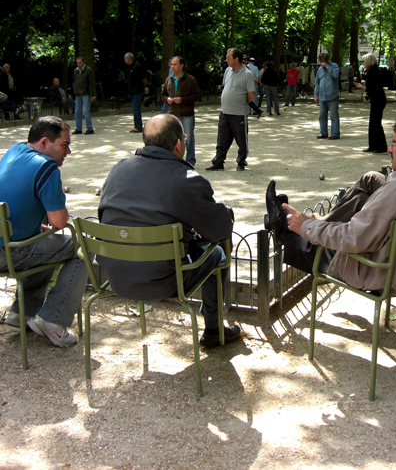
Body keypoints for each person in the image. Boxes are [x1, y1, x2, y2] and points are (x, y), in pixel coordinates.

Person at [265, 115, 396, 295]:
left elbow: (354, 238)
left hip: (389, 275)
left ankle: (281, 220)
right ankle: (306, 220)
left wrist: (306, 226)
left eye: (395, 144)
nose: (389, 149)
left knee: (302, 239)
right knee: (370, 182)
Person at [97, 113, 242, 348]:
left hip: (115, 277)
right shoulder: (188, 179)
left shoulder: (118, 169)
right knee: (217, 253)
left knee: (182, 241)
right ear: (178, 144)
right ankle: (214, 327)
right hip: (165, 282)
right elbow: (221, 230)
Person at [0, 116, 88, 346]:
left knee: (44, 240)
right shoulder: (46, 167)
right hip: (8, 252)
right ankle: (52, 320)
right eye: (64, 144)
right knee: (83, 245)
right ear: (44, 142)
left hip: (7, 242)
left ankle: (22, 312)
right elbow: (59, 221)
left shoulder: (14, 150)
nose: (68, 151)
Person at [206, 48, 256, 171]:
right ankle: (218, 162)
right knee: (222, 139)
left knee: (241, 140)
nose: (226, 60)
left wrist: (239, 102)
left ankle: (241, 162)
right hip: (224, 111)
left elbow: (251, 94)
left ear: (236, 59)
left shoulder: (247, 74)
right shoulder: (228, 71)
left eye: (228, 57)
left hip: (238, 113)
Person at [160, 55, 201, 167]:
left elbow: (197, 96)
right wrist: (167, 100)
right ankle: (175, 159)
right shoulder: (169, 79)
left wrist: (182, 100)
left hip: (186, 114)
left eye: (175, 64)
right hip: (173, 114)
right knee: (173, 138)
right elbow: (163, 94)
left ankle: (190, 160)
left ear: (182, 66)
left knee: (188, 138)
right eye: (171, 65)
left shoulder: (190, 79)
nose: (172, 67)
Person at [354, 54, 387, 153]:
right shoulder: (372, 71)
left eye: (364, 61)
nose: (363, 63)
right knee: (372, 123)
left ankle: (381, 147)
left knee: (376, 123)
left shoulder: (374, 72)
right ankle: (373, 145)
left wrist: (364, 91)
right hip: (376, 98)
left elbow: (374, 88)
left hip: (378, 99)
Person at [314, 52, 340, 140]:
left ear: (328, 60)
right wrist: (315, 95)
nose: (322, 63)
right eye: (321, 62)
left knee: (334, 116)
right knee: (322, 115)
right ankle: (323, 133)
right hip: (322, 96)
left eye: (324, 61)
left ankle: (335, 133)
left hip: (332, 96)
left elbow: (336, 75)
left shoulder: (334, 66)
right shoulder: (319, 70)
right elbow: (317, 82)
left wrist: (327, 67)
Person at [124, 52, 147, 133]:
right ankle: (137, 125)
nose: (124, 60)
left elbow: (143, 78)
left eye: (125, 59)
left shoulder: (137, 66)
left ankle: (138, 127)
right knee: (134, 109)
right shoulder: (128, 67)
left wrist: (144, 87)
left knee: (136, 109)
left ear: (129, 59)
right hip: (131, 90)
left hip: (137, 90)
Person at [72, 56, 95, 135]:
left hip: (86, 93)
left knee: (85, 111)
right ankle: (78, 128)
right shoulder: (76, 71)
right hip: (78, 94)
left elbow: (91, 83)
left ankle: (90, 128)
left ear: (83, 62)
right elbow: (74, 82)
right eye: (77, 63)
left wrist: (92, 95)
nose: (79, 64)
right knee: (77, 111)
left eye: (80, 62)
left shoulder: (88, 70)